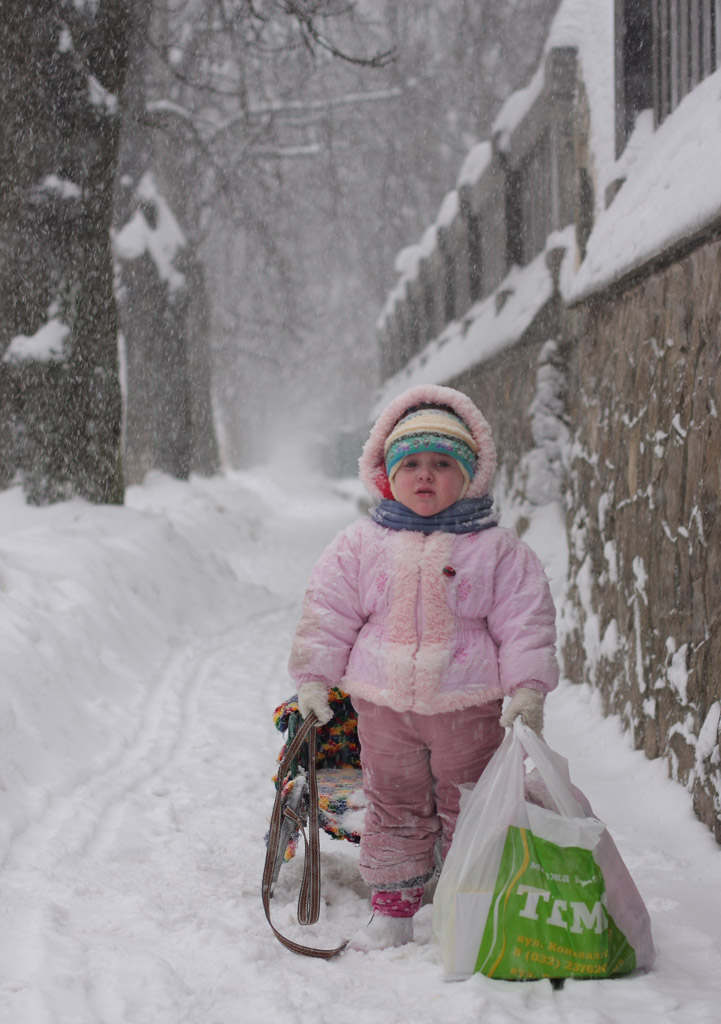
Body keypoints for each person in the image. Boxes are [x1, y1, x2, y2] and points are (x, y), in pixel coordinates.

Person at [288, 384, 559, 950]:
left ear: (471, 474)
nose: (426, 475)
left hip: (468, 705)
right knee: (394, 804)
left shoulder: (497, 550)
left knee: (473, 803)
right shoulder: (360, 545)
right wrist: (314, 677)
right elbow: (328, 610)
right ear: (386, 473)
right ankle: (393, 909)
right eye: (410, 463)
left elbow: (525, 621)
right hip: (384, 707)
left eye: (443, 463)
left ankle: (473, 905)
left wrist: (527, 689)